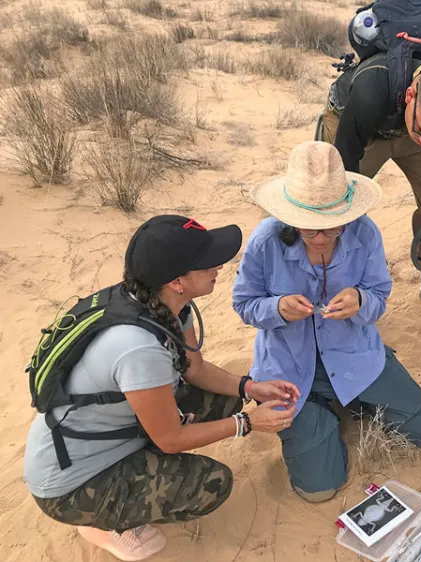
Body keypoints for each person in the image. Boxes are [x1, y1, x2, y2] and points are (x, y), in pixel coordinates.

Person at [23, 215, 300, 562]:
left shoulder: (162, 305)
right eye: (206, 263)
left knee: (227, 398)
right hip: (71, 483)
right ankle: (102, 523)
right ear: (177, 280)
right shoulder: (138, 348)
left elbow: (194, 368)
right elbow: (170, 439)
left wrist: (250, 387)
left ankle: (132, 472)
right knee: (211, 484)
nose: (219, 266)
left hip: (115, 430)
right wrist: (247, 423)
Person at [232, 141, 421, 503]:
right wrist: (278, 308)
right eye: (308, 228)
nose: (319, 238)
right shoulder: (265, 241)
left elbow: (378, 297)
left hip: (354, 356)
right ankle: (324, 414)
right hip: (288, 369)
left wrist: (361, 301)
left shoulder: (365, 233)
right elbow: (243, 304)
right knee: (319, 490)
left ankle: (349, 399)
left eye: (331, 228)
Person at [318, 46, 421, 324]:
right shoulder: (370, 90)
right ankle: (333, 294)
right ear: (411, 94)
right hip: (358, 126)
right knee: (332, 209)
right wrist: (342, 200)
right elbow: (347, 169)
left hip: (407, 121)